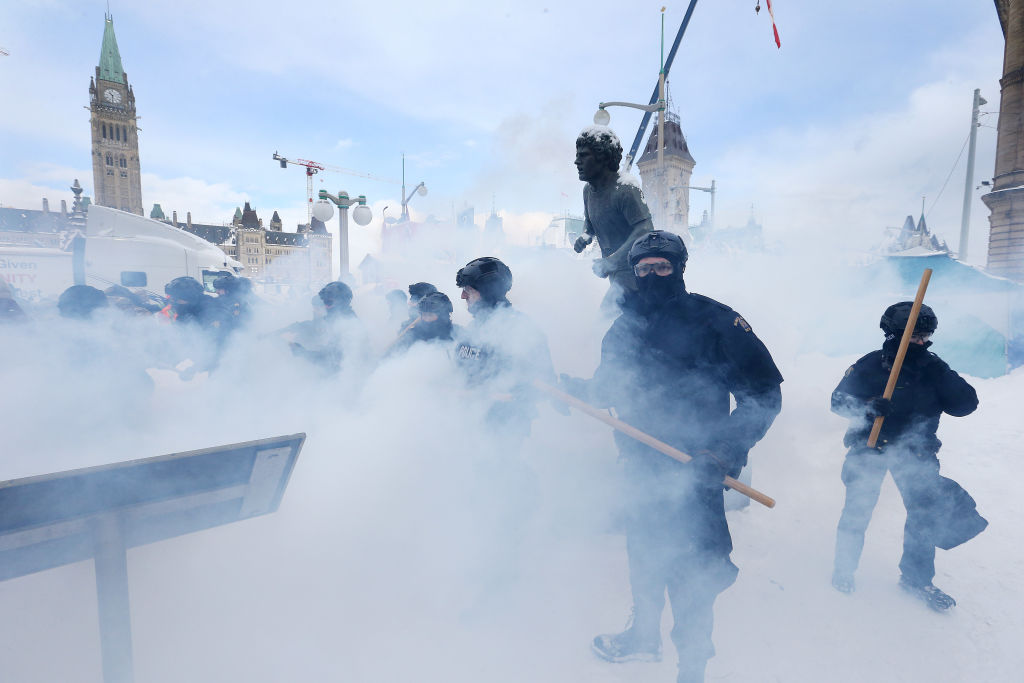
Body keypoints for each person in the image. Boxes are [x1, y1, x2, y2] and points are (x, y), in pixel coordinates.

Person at [561, 231, 782, 683]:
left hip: (696, 473)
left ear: (679, 268)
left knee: (693, 577)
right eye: (642, 270)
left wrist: (722, 451)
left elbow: (764, 395)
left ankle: (692, 668)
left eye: (661, 267)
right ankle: (643, 636)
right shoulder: (626, 326)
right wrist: (573, 390)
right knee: (644, 555)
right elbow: (609, 388)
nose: (651, 276)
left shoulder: (715, 321)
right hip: (640, 468)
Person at [830, 302, 979, 611]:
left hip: (916, 452)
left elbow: (965, 405)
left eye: (926, 336)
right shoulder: (870, 365)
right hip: (870, 447)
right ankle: (843, 569)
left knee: (923, 517)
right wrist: (868, 408)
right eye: (915, 337)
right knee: (857, 512)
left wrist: (940, 371)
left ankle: (916, 579)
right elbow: (838, 401)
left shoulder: (933, 368)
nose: (922, 343)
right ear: (894, 335)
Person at [454, 257, 557, 444]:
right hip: (468, 425)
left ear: (488, 292)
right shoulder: (474, 329)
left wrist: (514, 396)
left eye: (469, 290)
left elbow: (544, 381)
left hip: (504, 429)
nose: (463, 296)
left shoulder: (521, 329)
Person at [574, 126, 654, 309]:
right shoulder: (588, 191)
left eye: (583, 155)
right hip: (616, 276)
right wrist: (585, 235)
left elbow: (645, 230)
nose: (576, 161)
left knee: (607, 322)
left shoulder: (625, 190)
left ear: (603, 158)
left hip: (637, 278)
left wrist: (611, 261)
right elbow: (590, 222)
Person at [386, 291, 456, 356]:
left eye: (430, 315)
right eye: (424, 315)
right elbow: (395, 353)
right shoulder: (413, 333)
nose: (426, 319)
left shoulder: (455, 334)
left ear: (443, 316)